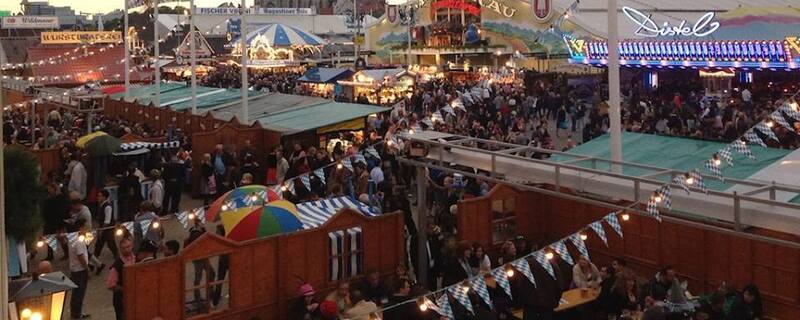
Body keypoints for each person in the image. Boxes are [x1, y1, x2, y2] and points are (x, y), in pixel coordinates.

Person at [107, 237, 135, 320]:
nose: (127, 250)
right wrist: (126, 290)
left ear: (132, 246)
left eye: (128, 247)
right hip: (121, 300)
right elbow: (111, 285)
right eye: (124, 248)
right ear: (120, 249)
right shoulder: (117, 265)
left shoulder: (137, 259)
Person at [93, 190, 118, 271]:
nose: (98, 198)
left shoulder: (107, 207)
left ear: (104, 197)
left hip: (108, 229)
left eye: (100, 196)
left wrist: (101, 230)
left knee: (111, 244)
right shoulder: (101, 205)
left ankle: (117, 259)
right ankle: (94, 262)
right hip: (103, 229)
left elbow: (107, 221)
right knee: (99, 246)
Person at [69, 227, 91, 319]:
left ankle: (74, 312)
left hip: (74, 269)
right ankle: (78, 313)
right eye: (85, 227)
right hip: (80, 270)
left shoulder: (71, 239)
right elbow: (80, 256)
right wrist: (87, 269)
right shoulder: (79, 241)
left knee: (75, 293)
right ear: (81, 228)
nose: (87, 230)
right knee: (79, 293)